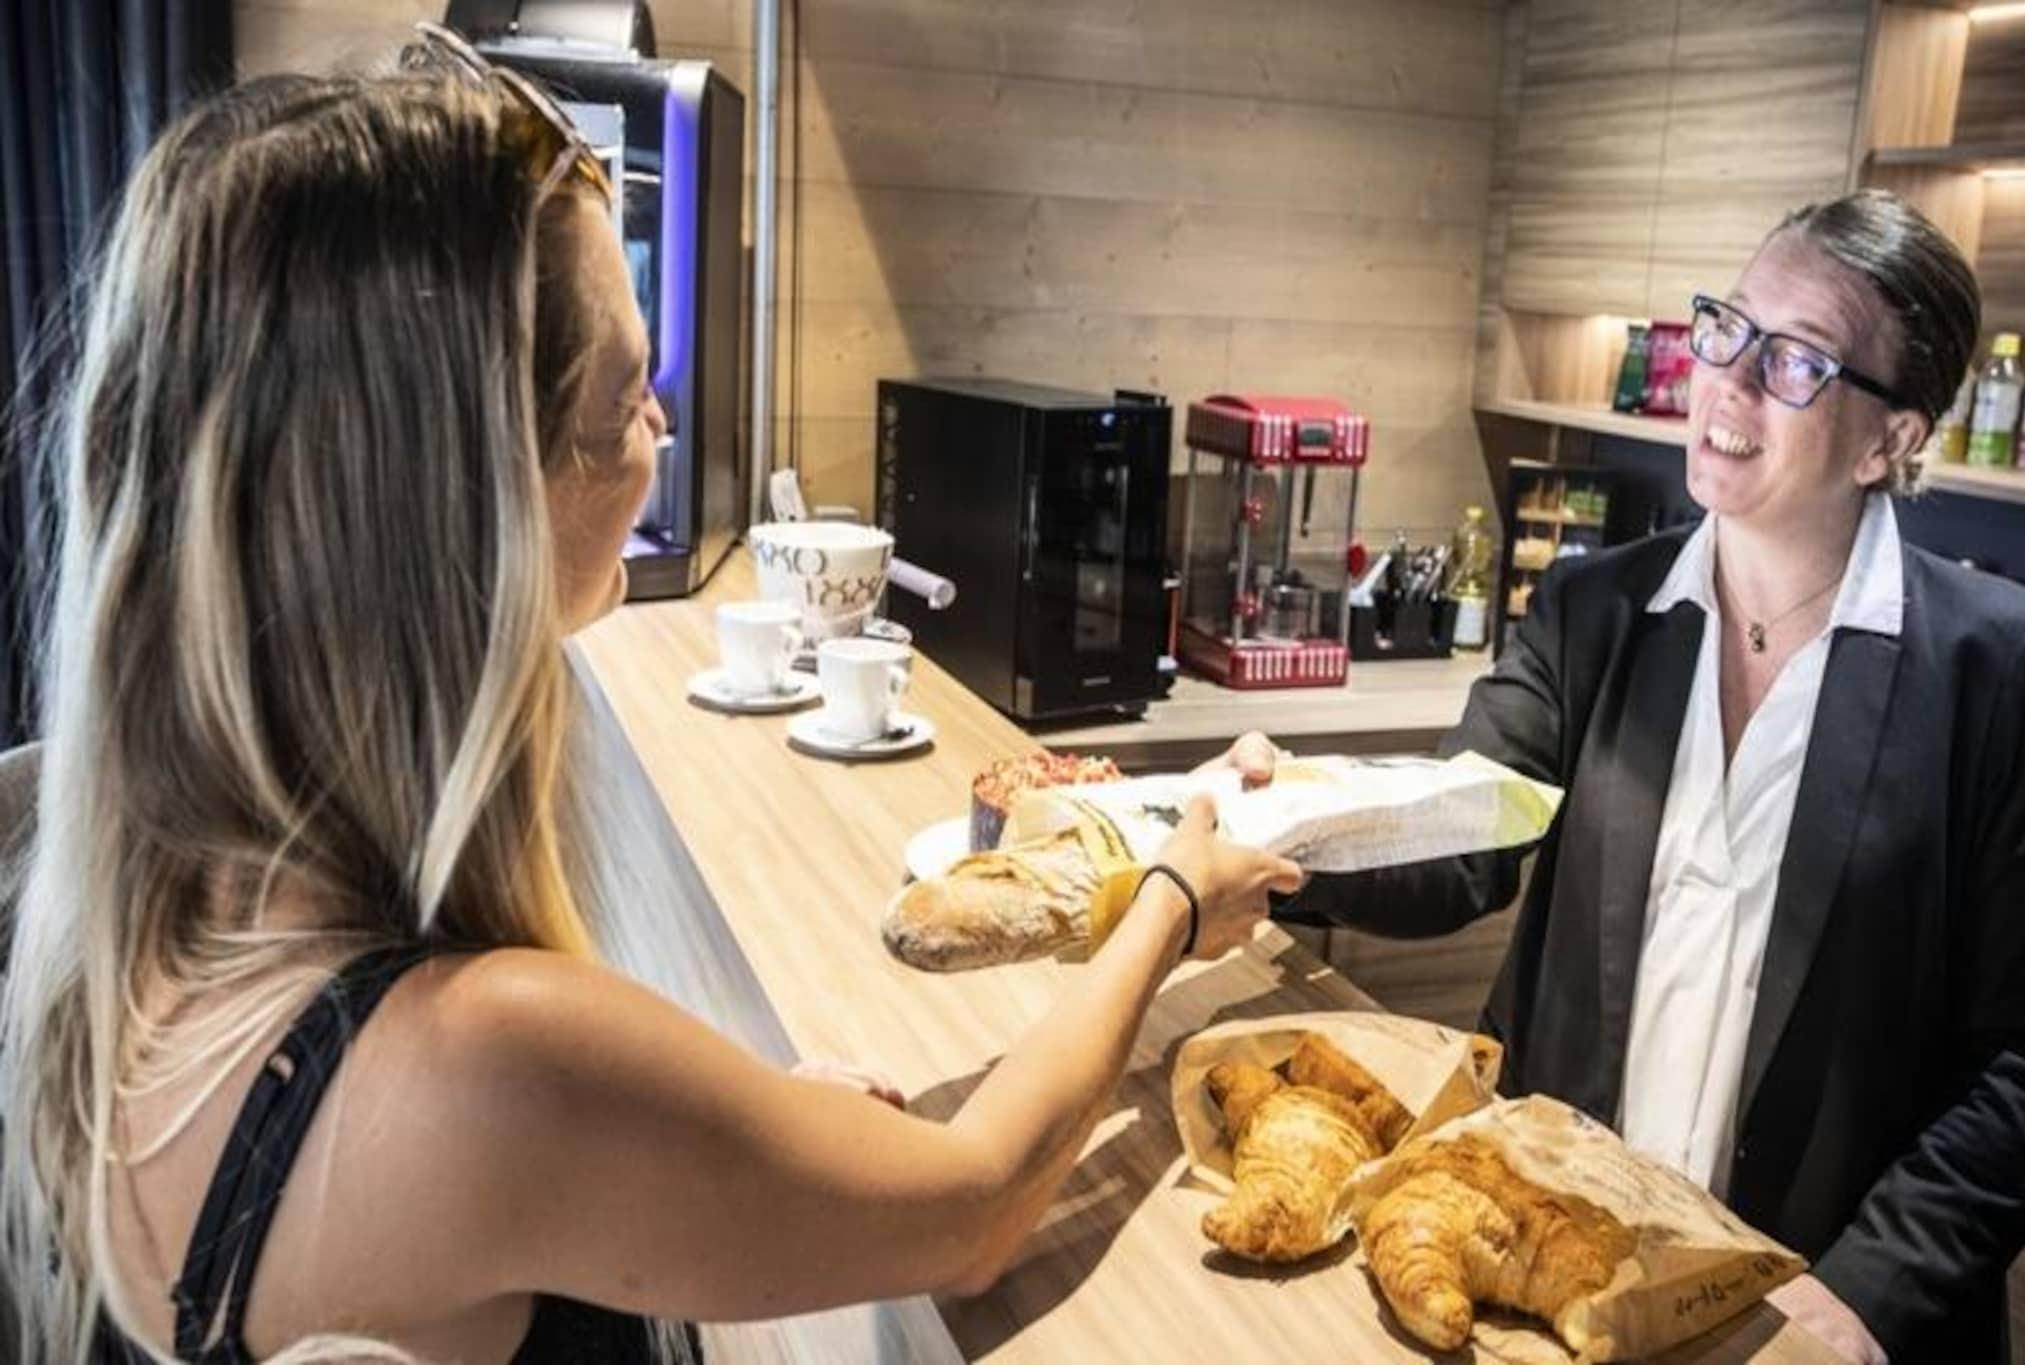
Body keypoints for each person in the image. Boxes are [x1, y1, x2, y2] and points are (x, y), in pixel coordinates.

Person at [0, 39, 1304, 1365]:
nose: (659, 436)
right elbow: (974, 1205)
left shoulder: (131, 939)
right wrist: (1170, 899)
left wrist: (693, 1136)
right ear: (472, 508)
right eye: (626, 397)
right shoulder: (489, 1064)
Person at [1251, 189, 2025, 1362]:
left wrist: (1862, 1296)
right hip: (1558, 1275)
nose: (1726, 384)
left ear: (1890, 440)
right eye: (1727, 329)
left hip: (1803, 1319)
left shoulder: (2001, 668)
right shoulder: (1594, 609)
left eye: (1794, 362)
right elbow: (1461, 832)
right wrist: (1275, 831)